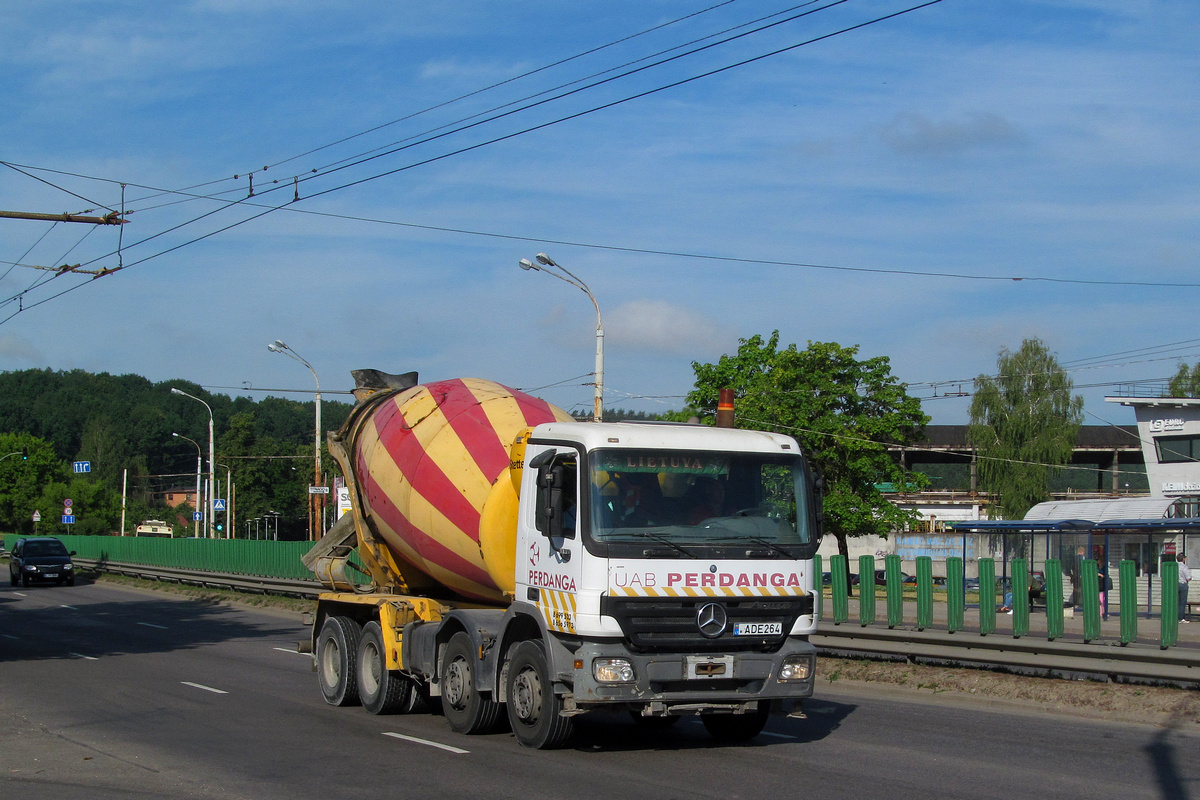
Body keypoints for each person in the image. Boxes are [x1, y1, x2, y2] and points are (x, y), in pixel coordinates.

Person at [1178, 556, 1192, 624]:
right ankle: (1181, 618)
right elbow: (1188, 578)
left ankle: (1175, 616)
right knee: (1182, 602)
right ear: (1183, 559)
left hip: (1175, 585)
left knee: (1176, 602)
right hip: (1183, 584)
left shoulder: (1175, 566)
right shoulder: (1184, 567)